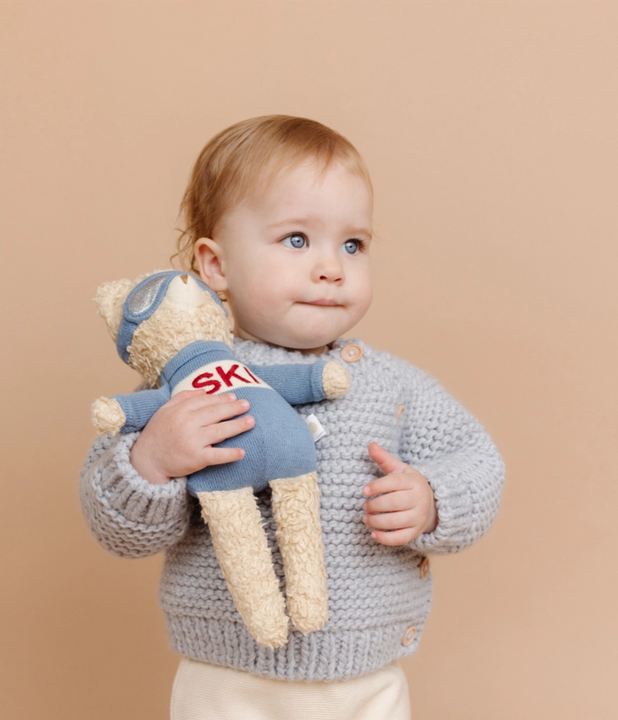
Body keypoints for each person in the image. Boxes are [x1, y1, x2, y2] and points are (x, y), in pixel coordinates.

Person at [79, 115, 505, 720]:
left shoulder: (389, 383)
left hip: (364, 678)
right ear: (216, 265)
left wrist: (432, 499)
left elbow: (479, 460)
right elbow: (116, 525)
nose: (332, 267)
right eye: (297, 240)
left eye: (352, 244)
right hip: (228, 678)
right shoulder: (187, 388)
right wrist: (152, 461)